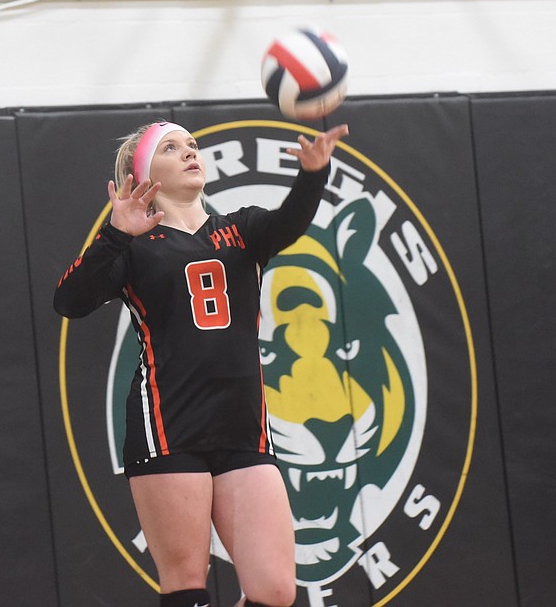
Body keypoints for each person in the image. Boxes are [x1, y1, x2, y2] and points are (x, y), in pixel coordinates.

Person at [54, 119, 349, 607]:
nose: (191, 152)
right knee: (188, 586)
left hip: (242, 427)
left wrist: (312, 174)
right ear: (141, 174)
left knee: (274, 592)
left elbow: (289, 221)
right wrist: (114, 234)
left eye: (192, 145)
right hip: (168, 426)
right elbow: (70, 301)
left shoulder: (242, 229)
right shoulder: (132, 246)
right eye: (172, 148)